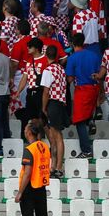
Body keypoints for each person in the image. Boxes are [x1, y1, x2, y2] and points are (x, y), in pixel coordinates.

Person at [15, 120, 54, 216]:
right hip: (41, 188)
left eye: (26, 129)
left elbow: (27, 173)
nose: (24, 130)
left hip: (29, 189)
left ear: (30, 132)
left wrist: (20, 192)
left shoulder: (29, 149)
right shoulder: (45, 147)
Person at [66, 33, 102, 158]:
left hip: (82, 90)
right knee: (85, 116)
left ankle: (86, 150)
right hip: (94, 88)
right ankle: (91, 120)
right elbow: (99, 74)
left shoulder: (73, 58)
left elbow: (70, 79)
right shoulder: (94, 55)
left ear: (73, 44)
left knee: (78, 120)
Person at [40, 45, 68, 178]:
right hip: (61, 103)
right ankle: (54, 167)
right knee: (56, 136)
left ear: (46, 55)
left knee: (56, 137)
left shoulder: (48, 70)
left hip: (53, 104)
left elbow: (46, 91)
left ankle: (57, 168)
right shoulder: (61, 69)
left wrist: (44, 108)